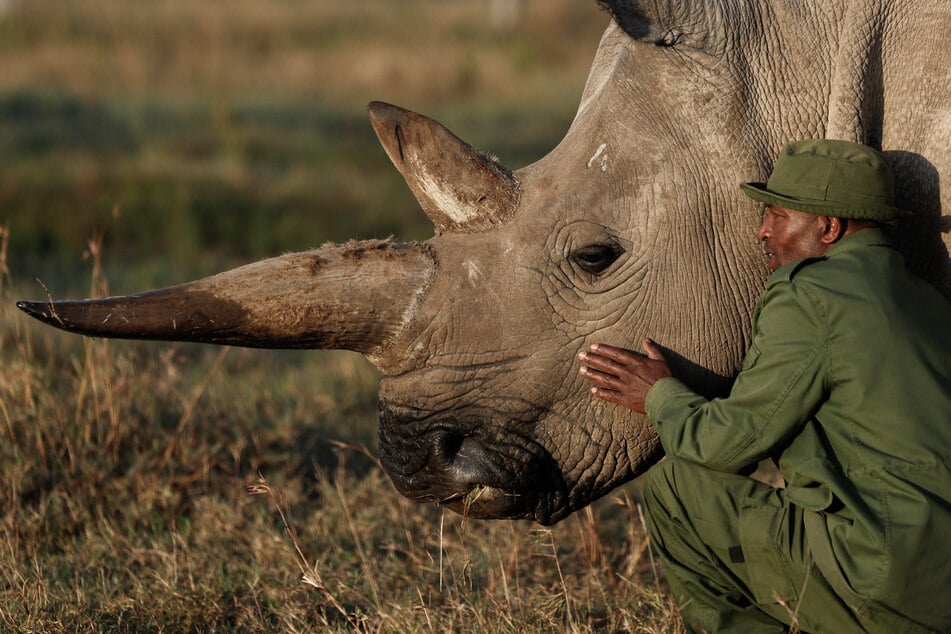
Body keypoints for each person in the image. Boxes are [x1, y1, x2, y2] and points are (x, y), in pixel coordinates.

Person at [578, 139, 951, 633]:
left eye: (777, 214)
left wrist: (659, 395)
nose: (763, 232)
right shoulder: (930, 300)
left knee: (678, 488)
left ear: (829, 227)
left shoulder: (809, 293)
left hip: (883, 582)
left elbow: (728, 446)